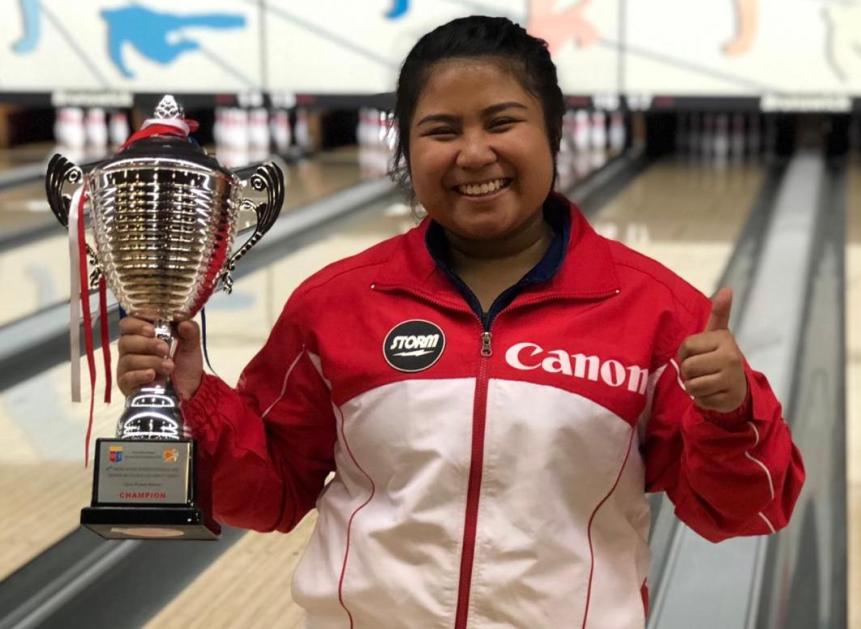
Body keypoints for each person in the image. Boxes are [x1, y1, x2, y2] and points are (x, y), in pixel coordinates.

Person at [117, 16, 804, 629]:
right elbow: (269, 493)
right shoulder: (335, 304)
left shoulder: (656, 311)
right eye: (442, 130)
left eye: (502, 122)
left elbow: (746, 510)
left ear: (553, 133)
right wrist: (192, 396)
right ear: (406, 149)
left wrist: (731, 412)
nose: (474, 153)